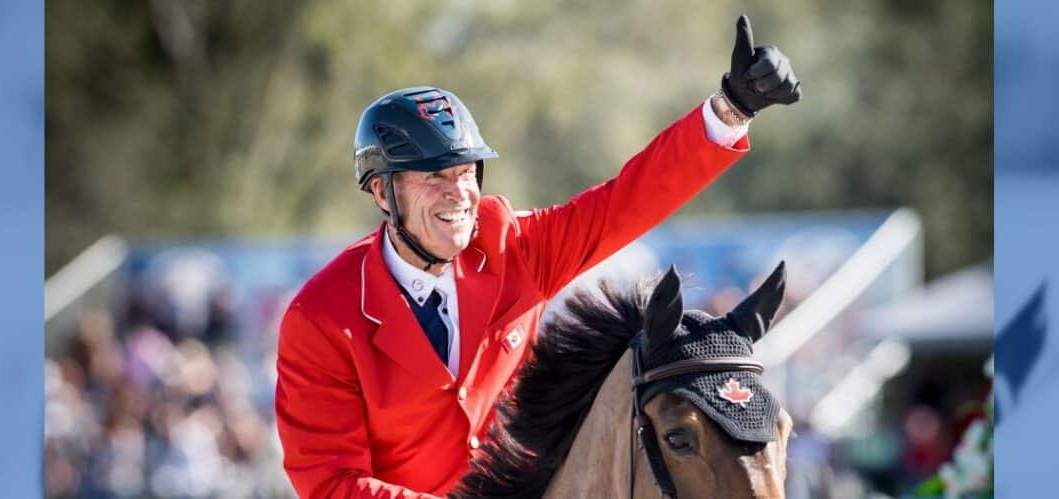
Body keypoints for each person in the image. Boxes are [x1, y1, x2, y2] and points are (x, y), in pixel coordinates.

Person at [275, 14, 801, 498]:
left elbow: (625, 203)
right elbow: (330, 484)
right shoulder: (320, 318)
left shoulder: (514, 246)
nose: (458, 194)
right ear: (381, 193)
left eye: (465, 174)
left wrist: (731, 109)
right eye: (434, 177)